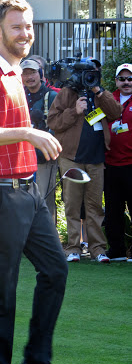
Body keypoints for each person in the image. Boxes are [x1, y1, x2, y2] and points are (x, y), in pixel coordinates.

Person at [0, 0, 68, 364]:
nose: (25, 33)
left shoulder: (15, 72)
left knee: (55, 270)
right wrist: (27, 132)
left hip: (28, 193)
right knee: (3, 293)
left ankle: (36, 360)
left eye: (28, 26)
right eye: (16, 26)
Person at [47, 57, 122, 263]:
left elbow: (116, 112)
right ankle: (73, 248)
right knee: (72, 204)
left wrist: (98, 91)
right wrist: (74, 111)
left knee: (95, 205)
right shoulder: (66, 94)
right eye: (87, 72)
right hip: (71, 157)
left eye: (94, 72)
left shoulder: (100, 94)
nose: (89, 76)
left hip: (96, 158)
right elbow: (53, 121)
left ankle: (98, 249)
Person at [21, 59, 58, 222]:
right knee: (23, 198)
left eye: (33, 72)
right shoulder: (18, 96)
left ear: (41, 74)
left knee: (44, 198)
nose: (29, 77)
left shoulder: (52, 96)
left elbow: (59, 125)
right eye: (25, 73)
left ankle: (49, 239)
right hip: (22, 156)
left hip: (44, 156)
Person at [104, 63, 132, 261]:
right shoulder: (107, 100)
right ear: (116, 81)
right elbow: (92, 120)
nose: (126, 82)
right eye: (122, 79)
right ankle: (117, 250)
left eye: (130, 78)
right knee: (113, 210)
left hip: (131, 164)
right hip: (110, 164)